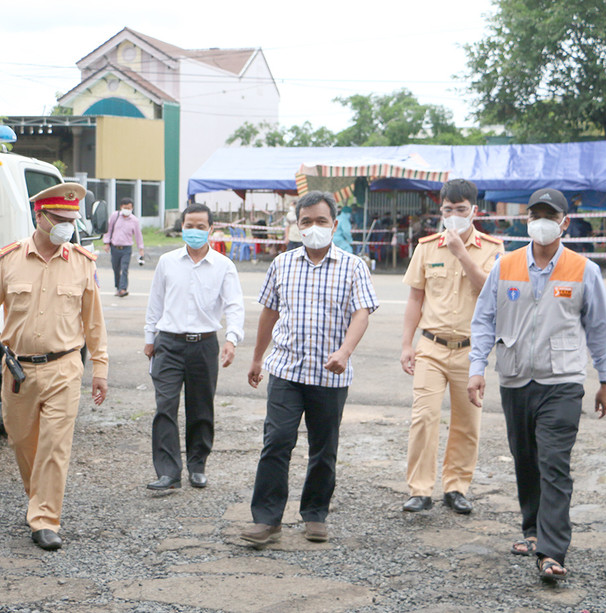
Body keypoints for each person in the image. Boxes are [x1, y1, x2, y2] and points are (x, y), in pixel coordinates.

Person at [467, 187, 606, 581]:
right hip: (516, 378)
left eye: (550, 216)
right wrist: (476, 368)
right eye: (536, 215)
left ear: (565, 223)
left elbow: (598, 329)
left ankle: (551, 552)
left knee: (554, 464)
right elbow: (484, 320)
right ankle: (532, 531)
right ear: (527, 221)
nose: (542, 222)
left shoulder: (585, 270)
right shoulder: (506, 266)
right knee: (526, 460)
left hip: (562, 381)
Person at [0, 182, 109, 551]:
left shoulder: (81, 262)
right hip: (18, 371)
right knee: (21, 441)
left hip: (64, 369)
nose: (67, 227)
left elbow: (94, 322)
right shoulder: (8, 260)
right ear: (39, 216)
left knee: (54, 446)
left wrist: (101, 367)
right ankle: (38, 500)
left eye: (71, 220)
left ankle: (45, 519)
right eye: (59, 219)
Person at [241, 191, 379, 546]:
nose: (314, 227)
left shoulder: (353, 266)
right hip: (286, 370)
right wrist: (258, 356)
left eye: (321, 221)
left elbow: (362, 313)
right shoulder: (282, 264)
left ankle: (315, 514)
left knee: (324, 447)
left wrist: (345, 352)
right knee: (276, 442)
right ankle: (267, 519)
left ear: (334, 225)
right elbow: (269, 311)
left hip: (330, 376)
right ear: (297, 226)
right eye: (306, 222)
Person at [400, 179, 504, 515]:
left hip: (471, 351)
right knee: (424, 417)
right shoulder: (427, 247)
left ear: (474, 210)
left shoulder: (492, 248)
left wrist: (461, 252)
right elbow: (415, 297)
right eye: (448, 210)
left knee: (467, 422)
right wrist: (407, 344)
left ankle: (456, 487)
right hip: (431, 347)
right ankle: (420, 490)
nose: (454, 215)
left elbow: (491, 290)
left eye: (461, 209)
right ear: (441, 211)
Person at [143, 203, 245, 490]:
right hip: (169, 344)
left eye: (201, 226)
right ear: (182, 227)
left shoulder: (224, 266)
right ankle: (168, 472)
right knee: (165, 406)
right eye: (190, 225)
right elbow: (155, 302)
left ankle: (197, 466)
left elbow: (234, 305)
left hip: (204, 346)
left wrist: (231, 339)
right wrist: (150, 339)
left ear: (211, 229)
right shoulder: (167, 262)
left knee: (201, 409)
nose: (195, 231)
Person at [102, 197, 144, 297]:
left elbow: (138, 235)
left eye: (129, 208)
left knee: (124, 268)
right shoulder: (114, 216)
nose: (127, 210)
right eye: (125, 207)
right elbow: (109, 230)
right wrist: (106, 243)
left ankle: (123, 289)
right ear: (121, 207)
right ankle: (118, 287)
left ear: (132, 208)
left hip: (127, 248)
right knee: (116, 268)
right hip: (115, 247)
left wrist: (141, 249)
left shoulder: (134, 220)